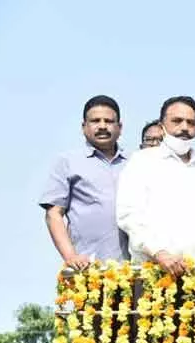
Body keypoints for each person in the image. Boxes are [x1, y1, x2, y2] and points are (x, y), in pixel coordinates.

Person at [116, 96, 195, 275]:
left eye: (191, 122)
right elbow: (128, 215)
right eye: (177, 121)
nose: (184, 127)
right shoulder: (142, 161)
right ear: (162, 126)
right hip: (152, 272)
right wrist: (159, 253)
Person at [39, 94, 129, 269]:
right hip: (87, 269)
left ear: (120, 127)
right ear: (84, 127)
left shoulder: (135, 162)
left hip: (134, 270)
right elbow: (53, 214)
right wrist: (71, 256)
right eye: (95, 121)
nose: (102, 126)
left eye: (109, 121)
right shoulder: (68, 162)